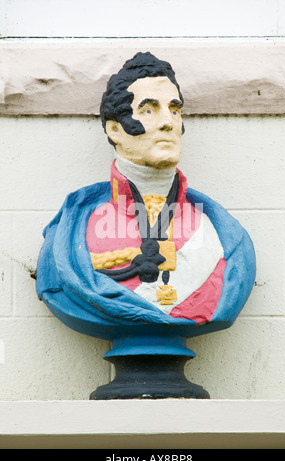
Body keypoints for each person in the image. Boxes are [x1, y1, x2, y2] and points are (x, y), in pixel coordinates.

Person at [36, 52, 256, 344]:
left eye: (175, 110)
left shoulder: (223, 236)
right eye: (150, 110)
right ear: (115, 129)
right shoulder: (73, 230)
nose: (168, 122)